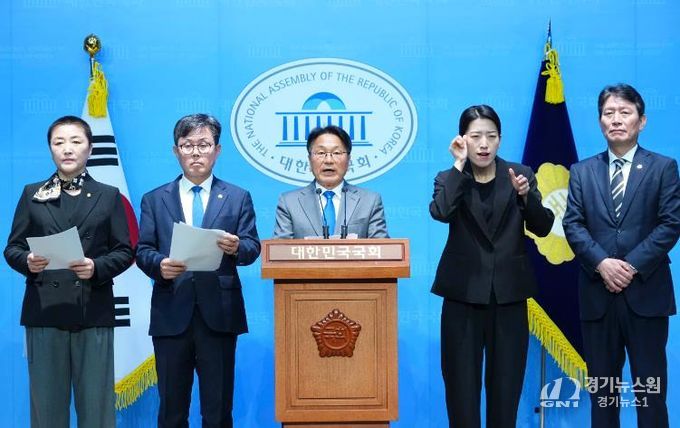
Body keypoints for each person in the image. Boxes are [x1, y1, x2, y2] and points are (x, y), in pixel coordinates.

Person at [3, 115, 134, 428]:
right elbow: (12, 248)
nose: (67, 148)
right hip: (44, 311)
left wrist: (96, 267)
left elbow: (125, 251)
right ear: (50, 149)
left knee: (96, 408)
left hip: (94, 311)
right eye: (58, 142)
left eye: (76, 141)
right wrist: (27, 261)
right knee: (47, 409)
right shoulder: (32, 194)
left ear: (90, 148)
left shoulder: (109, 195)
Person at [563, 84, 680, 428]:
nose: (616, 119)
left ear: (641, 121)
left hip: (646, 294)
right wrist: (602, 263)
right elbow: (573, 224)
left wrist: (629, 266)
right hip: (597, 296)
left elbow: (671, 224)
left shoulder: (663, 167)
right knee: (603, 394)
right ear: (600, 121)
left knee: (650, 393)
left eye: (624, 112)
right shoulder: (582, 171)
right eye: (608, 113)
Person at [430, 105, 554, 427]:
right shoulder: (449, 177)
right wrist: (458, 165)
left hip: (508, 298)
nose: (484, 144)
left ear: (500, 139)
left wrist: (526, 197)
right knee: (461, 392)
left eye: (491, 136)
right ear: (462, 140)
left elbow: (542, 227)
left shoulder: (520, 174)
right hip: (462, 297)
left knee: (505, 393)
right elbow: (441, 212)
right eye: (475, 137)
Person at [136, 114, 260, 428]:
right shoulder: (154, 199)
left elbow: (252, 247)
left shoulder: (237, 197)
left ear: (217, 150)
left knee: (217, 410)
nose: (195, 153)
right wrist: (160, 265)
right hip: (171, 313)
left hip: (219, 314)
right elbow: (143, 250)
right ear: (175, 151)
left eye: (203, 145)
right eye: (187, 145)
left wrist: (236, 247)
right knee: (172, 411)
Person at [273, 125, 388, 239]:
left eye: (337, 153)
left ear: (348, 160)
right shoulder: (289, 203)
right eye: (321, 153)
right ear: (309, 160)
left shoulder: (369, 201)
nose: (328, 160)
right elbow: (280, 248)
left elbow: (382, 247)